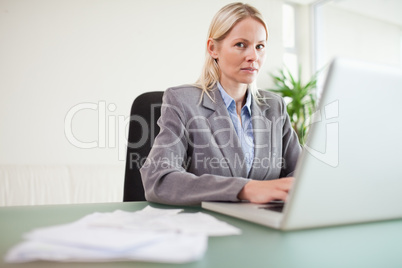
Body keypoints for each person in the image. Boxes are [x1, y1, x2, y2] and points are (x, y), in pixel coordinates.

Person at [140, 2, 301, 206]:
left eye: (260, 46)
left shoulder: (275, 107)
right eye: (241, 44)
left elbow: (302, 173)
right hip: (208, 227)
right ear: (213, 48)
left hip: (266, 226)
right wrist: (244, 189)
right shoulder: (182, 102)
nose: (254, 57)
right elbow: (159, 179)